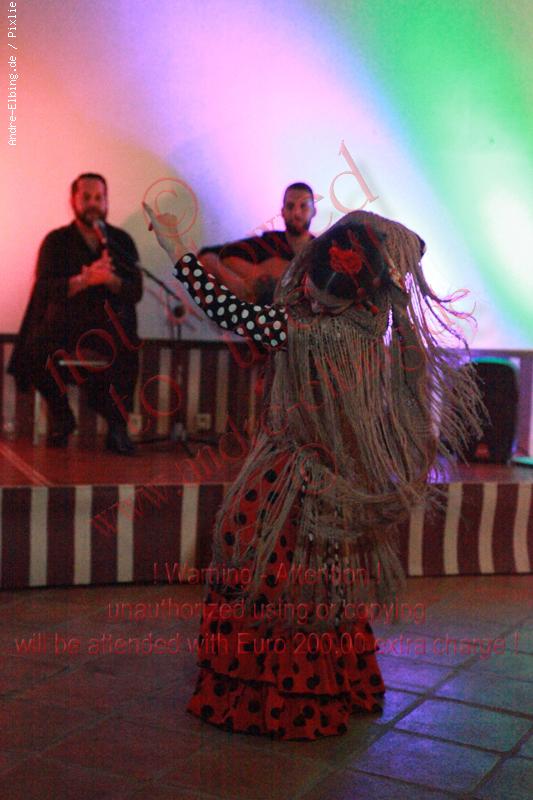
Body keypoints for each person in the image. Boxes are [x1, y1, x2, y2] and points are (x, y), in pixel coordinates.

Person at [145, 201, 482, 740]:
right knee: (324, 586)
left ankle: (269, 696)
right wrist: (379, 255)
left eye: (319, 288)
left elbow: (226, 311)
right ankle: (326, 686)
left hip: (290, 476)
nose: (309, 293)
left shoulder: (303, 330)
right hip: (338, 481)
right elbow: (411, 247)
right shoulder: (371, 325)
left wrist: (176, 250)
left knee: (258, 566)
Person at [8, 174, 143, 454]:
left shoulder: (120, 241)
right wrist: (83, 280)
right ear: (73, 201)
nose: (93, 204)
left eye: (99, 198)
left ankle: (117, 427)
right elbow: (44, 289)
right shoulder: (56, 240)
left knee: (129, 346)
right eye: (86, 197)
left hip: (107, 328)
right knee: (34, 350)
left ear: (106, 201)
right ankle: (62, 417)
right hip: (65, 326)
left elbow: (135, 291)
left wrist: (110, 280)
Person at [198, 182, 316, 304]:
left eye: (303, 206)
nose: (296, 213)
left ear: (313, 211)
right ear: (282, 212)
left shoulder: (321, 252)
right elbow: (208, 255)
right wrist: (244, 282)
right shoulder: (269, 242)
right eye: (290, 206)